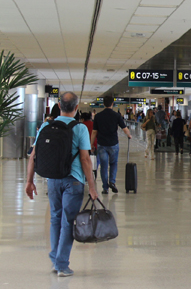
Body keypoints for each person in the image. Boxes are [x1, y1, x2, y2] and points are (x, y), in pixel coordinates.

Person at [25, 92, 98, 277]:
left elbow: (33, 155)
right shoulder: (80, 128)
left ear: (58, 105)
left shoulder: (45, 126)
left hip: (53, 180)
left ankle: (55, 259)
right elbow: (85, 159)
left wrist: (29, 181)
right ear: (76, 108)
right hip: (73, 181)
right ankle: (62, 264)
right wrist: (92, 186)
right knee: (68, 222)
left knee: (55, 219)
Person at [91, 96, 132, 194]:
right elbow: (124, 128)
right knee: (113, 163)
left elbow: (94, 132)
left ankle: (105, 188)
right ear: (112, 104)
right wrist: (129, 135)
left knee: (103, 166)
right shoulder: (116, 116)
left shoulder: (98, 116)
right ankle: (112, 182)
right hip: (113, 143)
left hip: (102, 144)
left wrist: (91, 144)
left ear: (103, 104)